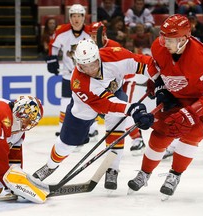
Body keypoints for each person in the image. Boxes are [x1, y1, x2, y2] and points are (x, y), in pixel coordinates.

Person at [33, 39, 155, 191]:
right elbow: (107, 104)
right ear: (78, 63)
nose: (90, 69)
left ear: (98, 57)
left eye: (93, 64)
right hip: (84, 107)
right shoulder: (78, 81)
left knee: (116, 129)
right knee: (66, 143)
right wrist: (133, 109)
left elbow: (144, 63)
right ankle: (50, 166)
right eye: (84, 66)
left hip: (113, 95)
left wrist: (158, 81)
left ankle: (112, 169)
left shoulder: (115, 55)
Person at [127, 14, 203, 199]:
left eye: (169, 39)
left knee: (191, 133)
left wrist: (191, 112)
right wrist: (160, 87)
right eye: (163, 37)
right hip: (178, 95)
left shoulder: (202, 59)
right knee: (161, 132)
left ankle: (174, 175)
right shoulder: (159, 46)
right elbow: (154, 67)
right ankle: (145, 173)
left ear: (183, 39)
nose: (163, 42)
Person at [90, 21, 146, 156]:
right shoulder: (88, 48)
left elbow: (124, 65)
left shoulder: (114, 46)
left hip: (122, 83)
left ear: (104, 34)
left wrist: (116, 81)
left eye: (96, 35)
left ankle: (137, 139)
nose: (94, 38)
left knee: (124, 111)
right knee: (103, 112)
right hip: (102, 88)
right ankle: (93, 132)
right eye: (91, 35)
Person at [45, 4, 95, 138]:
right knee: (65, 101)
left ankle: (92, 128)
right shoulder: (62, 31)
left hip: (87, 75)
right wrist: (52, 59)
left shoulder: (90, 32)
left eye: (79, 16)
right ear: (70, 17)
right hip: (69, 74)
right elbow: (53, 45)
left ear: (84, 17)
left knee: (89, 101)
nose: (76, 19)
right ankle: (62, 127)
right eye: (73, 16)